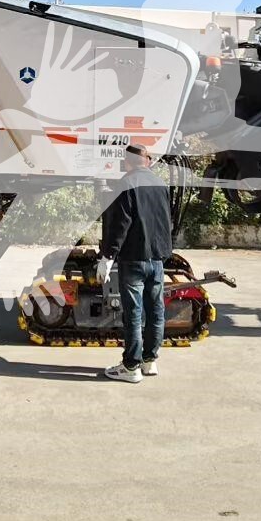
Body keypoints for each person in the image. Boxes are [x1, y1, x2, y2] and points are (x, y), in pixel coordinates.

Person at [96, 142, 172, 383]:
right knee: (155, 311)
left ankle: (131, 367)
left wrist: (107, 257)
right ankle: (149, 361)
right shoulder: (160, 184)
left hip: (133, 259)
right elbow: (164, 221)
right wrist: (163, 253)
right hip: (157, 259)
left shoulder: (126, 184)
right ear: (147, 161)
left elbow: (120, 224)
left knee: (134, 314)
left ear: (127, 162)